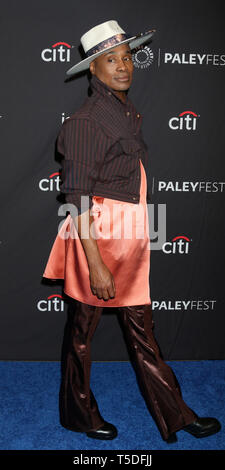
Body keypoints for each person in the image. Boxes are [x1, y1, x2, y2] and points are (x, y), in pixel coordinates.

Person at [42, 20, 221, 442]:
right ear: (93, 68)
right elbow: (79, 200)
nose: (123, 66)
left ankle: (177, 415)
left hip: (130, 235)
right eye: (110, 59)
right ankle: (79, 415)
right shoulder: (86, 122)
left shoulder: (123, 109)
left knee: (143, 332)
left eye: (126, 56)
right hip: (97, 238)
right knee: (82, 335)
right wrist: (97, 265)